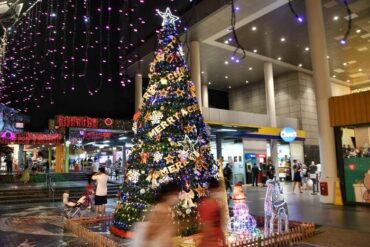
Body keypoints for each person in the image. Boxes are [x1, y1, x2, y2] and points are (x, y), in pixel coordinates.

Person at [131, 181, 180, 247]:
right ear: (167, 195)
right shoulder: (160, 210)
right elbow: (151, 230)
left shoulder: (166, 208)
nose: (176, 197)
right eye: (175, 194)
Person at [198, 178, 225, 247]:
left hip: (213, 242)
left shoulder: (214, 204)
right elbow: (208, 226)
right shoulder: (210, 205)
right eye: (218, 189)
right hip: (212, 242)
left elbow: (219, 225)